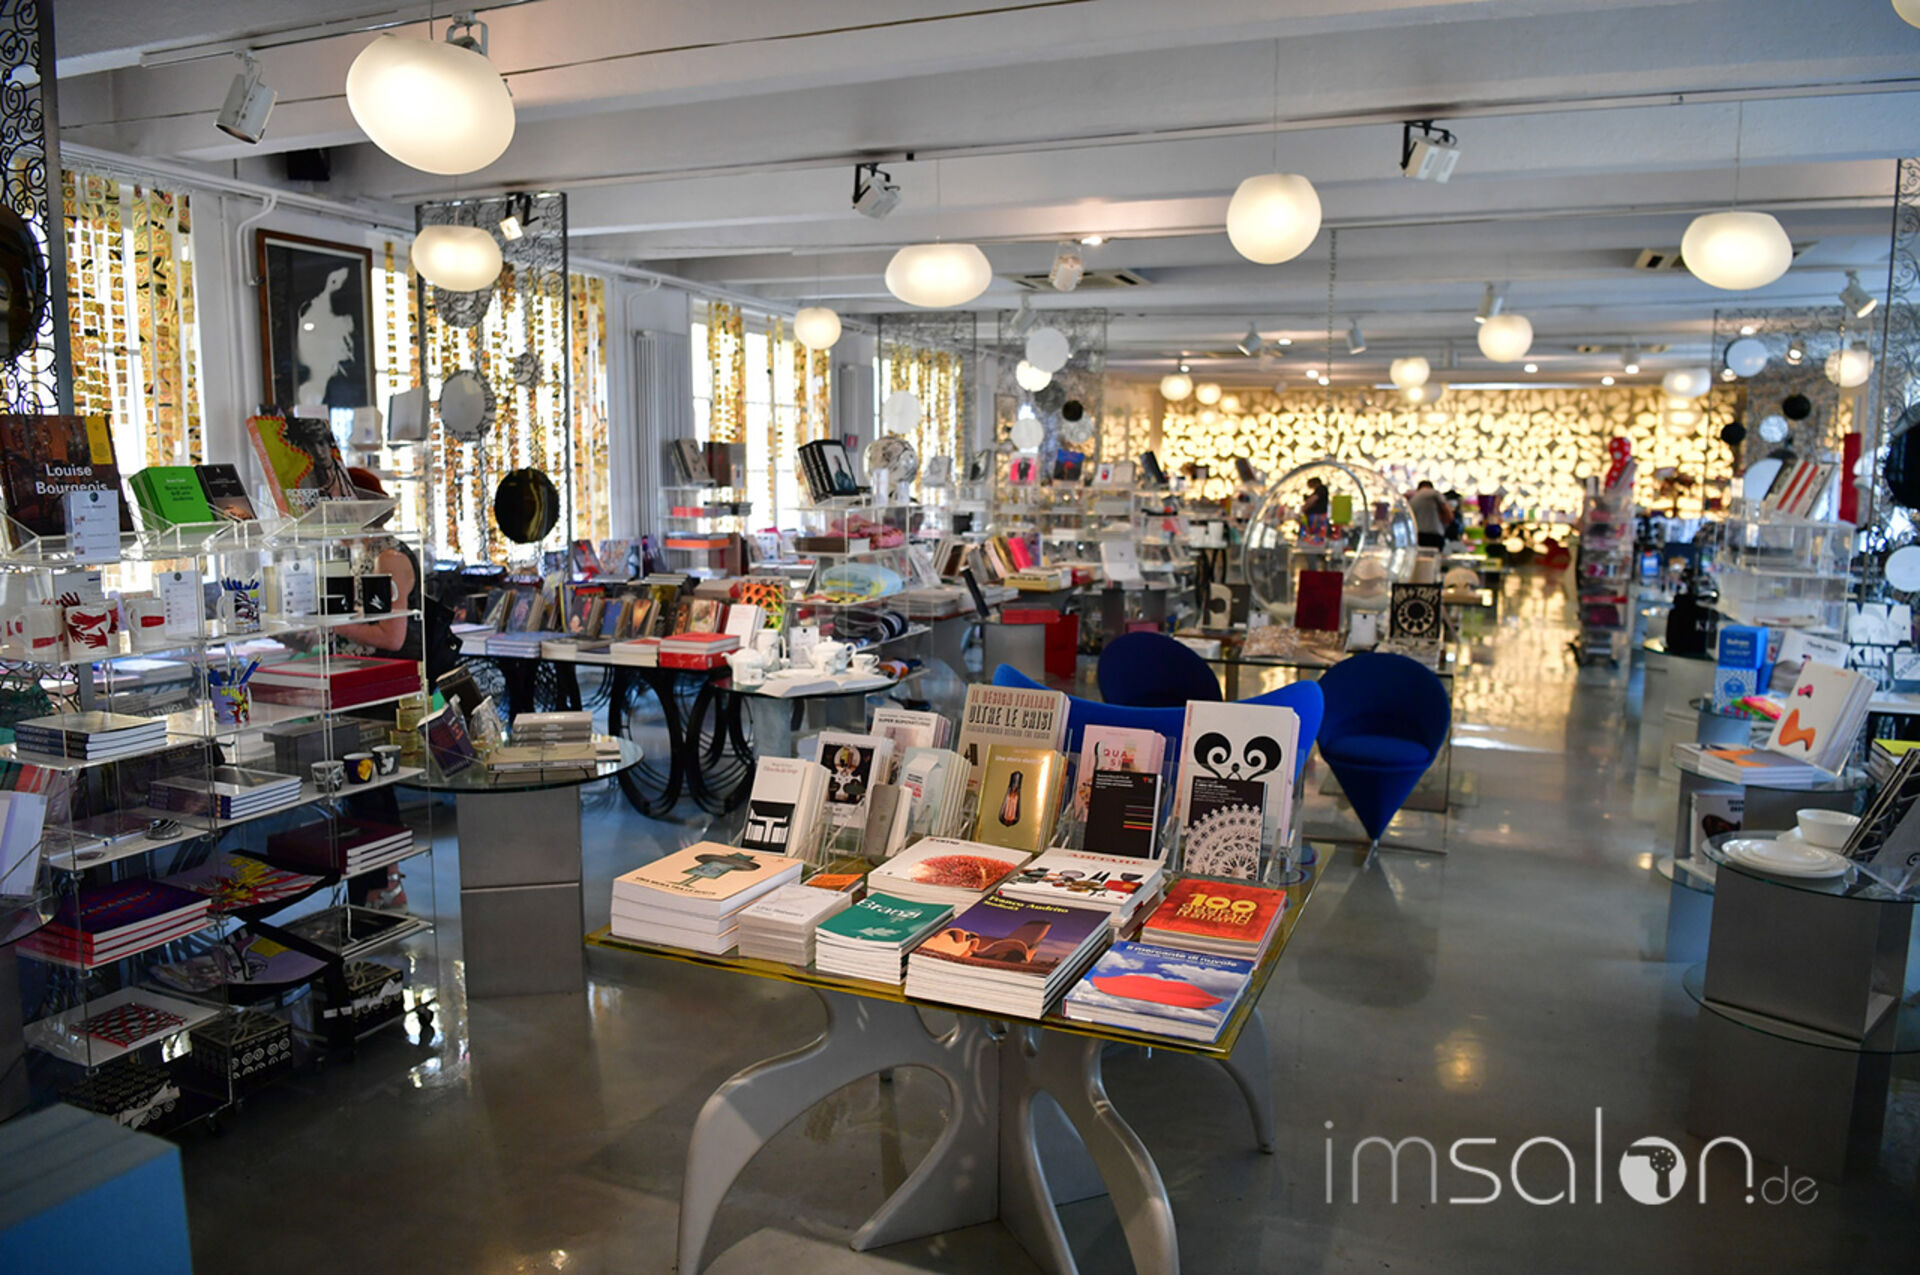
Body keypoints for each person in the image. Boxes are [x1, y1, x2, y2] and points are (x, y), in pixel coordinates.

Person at [1409, 480, 1450, 550]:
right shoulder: (1434, 493)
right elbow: (1448, 512)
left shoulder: (1413, 498)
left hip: (1419, 535)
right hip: (1435, 535)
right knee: (1437, 555)